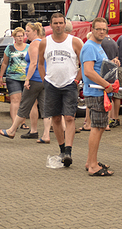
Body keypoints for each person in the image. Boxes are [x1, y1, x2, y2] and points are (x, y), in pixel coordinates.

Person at [38, 13, 83, 167]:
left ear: (65, 24)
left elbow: (84, 63)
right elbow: (40, 63)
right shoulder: (45, 42)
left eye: (61, 23)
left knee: (69, 118)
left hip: (69, 83)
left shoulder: (75, 42)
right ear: (51, 25)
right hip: (51, 84)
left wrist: (77, 80)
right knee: (56, 118)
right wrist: (45, 80)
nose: (58, 26)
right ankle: (62, 149)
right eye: (55, 23)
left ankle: (69, 152)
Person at [0, 22, 51, 143]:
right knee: (45, 108)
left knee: (24, 105)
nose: (26, 34)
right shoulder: (45, 43)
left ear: (35, 32)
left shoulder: (33, 44)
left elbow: (33, 63)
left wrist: (27, 79)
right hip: (44, 79)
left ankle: (12, 130)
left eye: (27, 31)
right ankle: (46, 135)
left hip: (35, 79)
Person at [81, 18, 115, 176]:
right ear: (92, 29)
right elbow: (88, 71)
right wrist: (106, 85)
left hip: (100, 92)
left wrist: (112, 63)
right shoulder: (89, 47)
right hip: (96, 92)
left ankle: (91, 161)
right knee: (96, 128)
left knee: (100, 127)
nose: (102, 32)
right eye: (98, 29)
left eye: (104, 29)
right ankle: (93, 166)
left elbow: (98, 67)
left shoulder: (98, 47)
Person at [0, 27, 31, 137]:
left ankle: (23, 121)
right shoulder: (10, 48)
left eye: (22, 36)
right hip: (12, 77)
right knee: (15, 100)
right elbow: (4, 63)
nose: (20, 38)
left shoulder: (29, 47)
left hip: (26, 78)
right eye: (18, 36)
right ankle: (14, 124)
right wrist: (1, 76)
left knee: (24, 100)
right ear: (14, 37)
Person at [101, 34, 120, 128]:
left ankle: (105, 122)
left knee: (103, 96)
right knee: (110, 97)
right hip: (112, 71)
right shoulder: (113, 42)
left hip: (103, 71)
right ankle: (109, 120)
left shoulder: (100, 42)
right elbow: (116, 57)